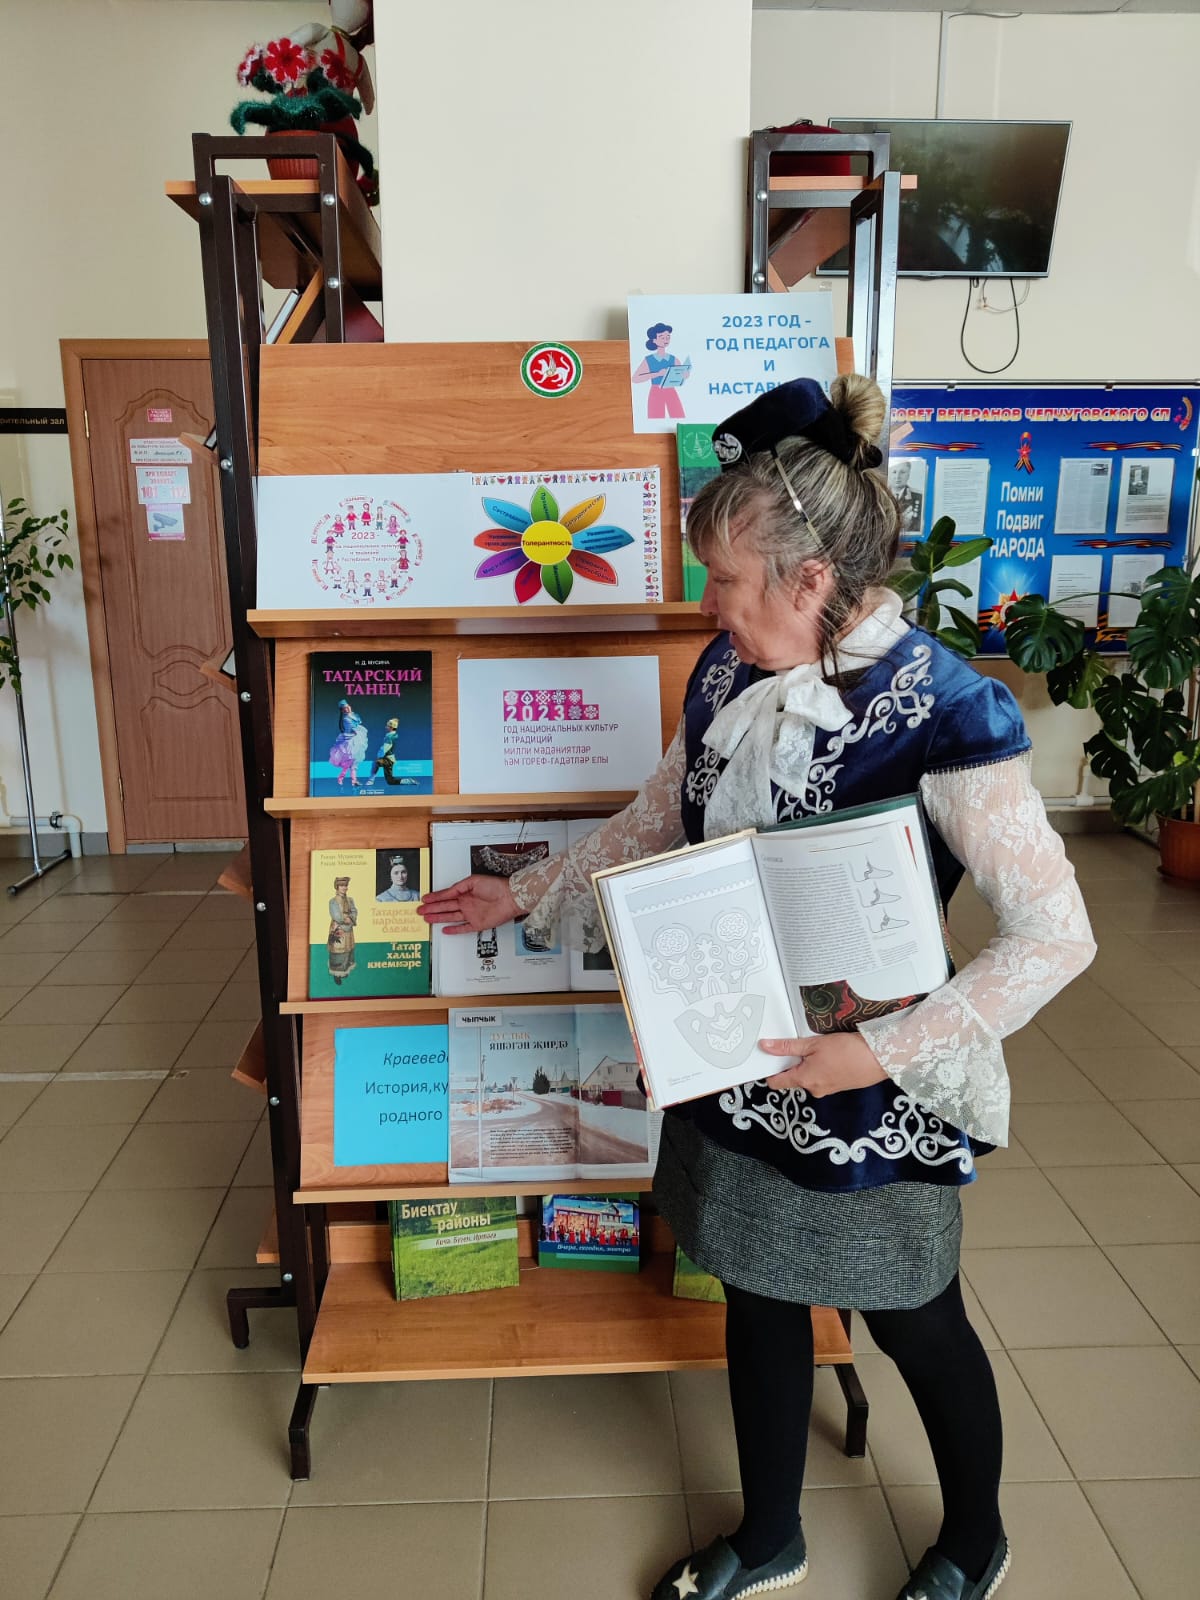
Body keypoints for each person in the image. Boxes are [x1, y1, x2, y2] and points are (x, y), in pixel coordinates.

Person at [420, 374, 1095, 1600]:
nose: (706, 604)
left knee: (913, 1314)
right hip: (735, 1054)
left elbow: (1057, 934)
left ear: (810, 580)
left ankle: (974, 1537)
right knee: (757, 1287)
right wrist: (521, 893)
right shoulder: (727, 675)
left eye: (725, 580)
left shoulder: (949, 713)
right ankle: (773, 1530)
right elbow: (657, 817)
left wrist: (875, 1054)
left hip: (871, 1084)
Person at [632, 322, 689, 422]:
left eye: (668, 337)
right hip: (656, 391)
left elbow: (682, 374)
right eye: (662, 337)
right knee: (655, 418)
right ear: (654, 340)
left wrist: (685, 375)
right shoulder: (649, 359)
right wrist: (657, 374)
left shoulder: (673, 358)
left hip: (671, 390)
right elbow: (635, 379)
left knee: (678, 415)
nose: (666, 340)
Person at [326, 875, 358, 986]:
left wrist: (351, 918)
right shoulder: (333, 901)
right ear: (337, 887)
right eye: (341, 886)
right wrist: (346, 921)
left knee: (347, 950)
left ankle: (344, 970)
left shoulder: (350, 900)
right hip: (338, 928)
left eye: (345, 885)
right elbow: (336, 916)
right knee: (337, 951)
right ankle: (336, 974)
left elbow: (354, 911)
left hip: (348, 929)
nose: (344, 888)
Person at [328, 699, 368, 787]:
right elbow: (353, 728)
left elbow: (357, 724)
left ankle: (354, 781)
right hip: (350, 740)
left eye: (347, 707)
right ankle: (341, 778)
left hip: (355, 739)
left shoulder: (353, 715)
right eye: (344, 709)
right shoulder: (346, 719)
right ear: (342, 711)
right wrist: (358, 731)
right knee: (349, 762)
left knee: (354, 762)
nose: (347, 709)